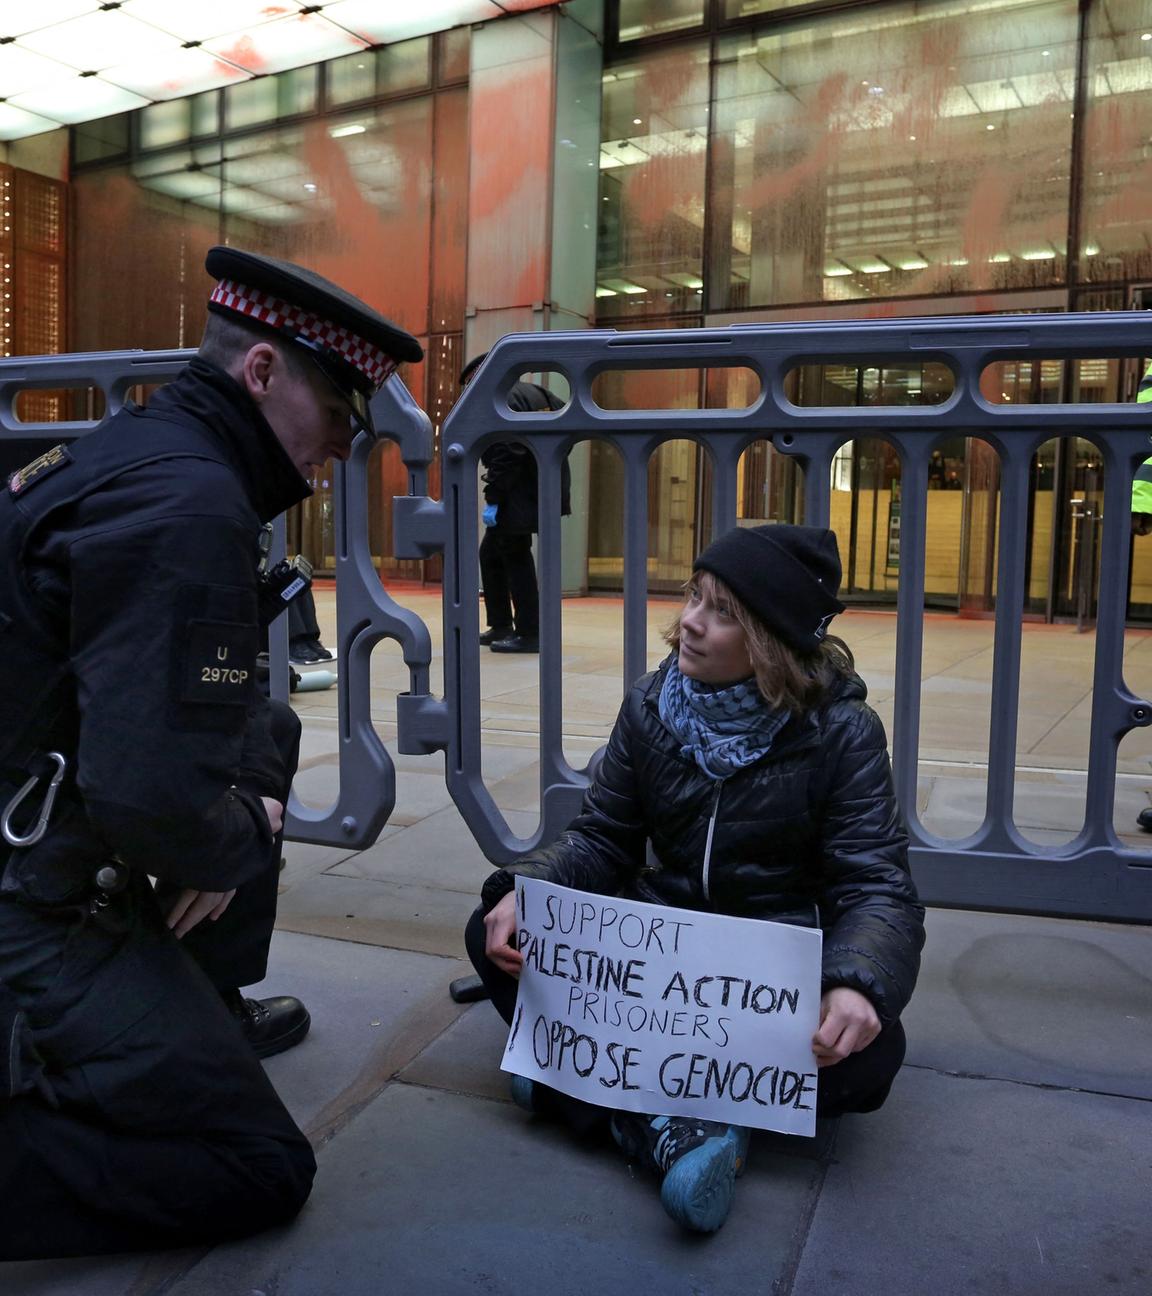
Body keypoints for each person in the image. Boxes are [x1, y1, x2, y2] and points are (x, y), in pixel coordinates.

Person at [0, 246, 421, 1259]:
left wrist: (227, 819)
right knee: (256, 1166)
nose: (335, 451)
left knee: (262, 737)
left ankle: (197, 1009)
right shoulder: (190, 506)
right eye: (334, 416)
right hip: (35, 900)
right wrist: (237, 834)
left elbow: (196, 728)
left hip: (44, 827)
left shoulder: (136, 449)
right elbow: (147, 797)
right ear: (263, 372)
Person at [465, 524, 925, 1234]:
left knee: (873, 1057)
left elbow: (875, 887)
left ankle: (592, 1093)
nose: (689, 622)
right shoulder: (652, 705)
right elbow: (601, 837)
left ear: (769, 641)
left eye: (721, 612)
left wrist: (856, 983)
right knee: (493, 930)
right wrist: (526, 892)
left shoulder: (841, 733)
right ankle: (673, 1121)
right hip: (659, 965)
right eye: (693, 597)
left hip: (763, 980)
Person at [460, 353, 571, 654]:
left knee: (516, 555)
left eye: (470, 382)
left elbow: (509, 449)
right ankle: (501, 623)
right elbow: (569, 422)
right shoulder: (536, 393)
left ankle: (529, 632)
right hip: (541, 487)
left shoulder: (502, 396)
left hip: (518, 493)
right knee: (492, 553)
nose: (469, 390)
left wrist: (494, 495)